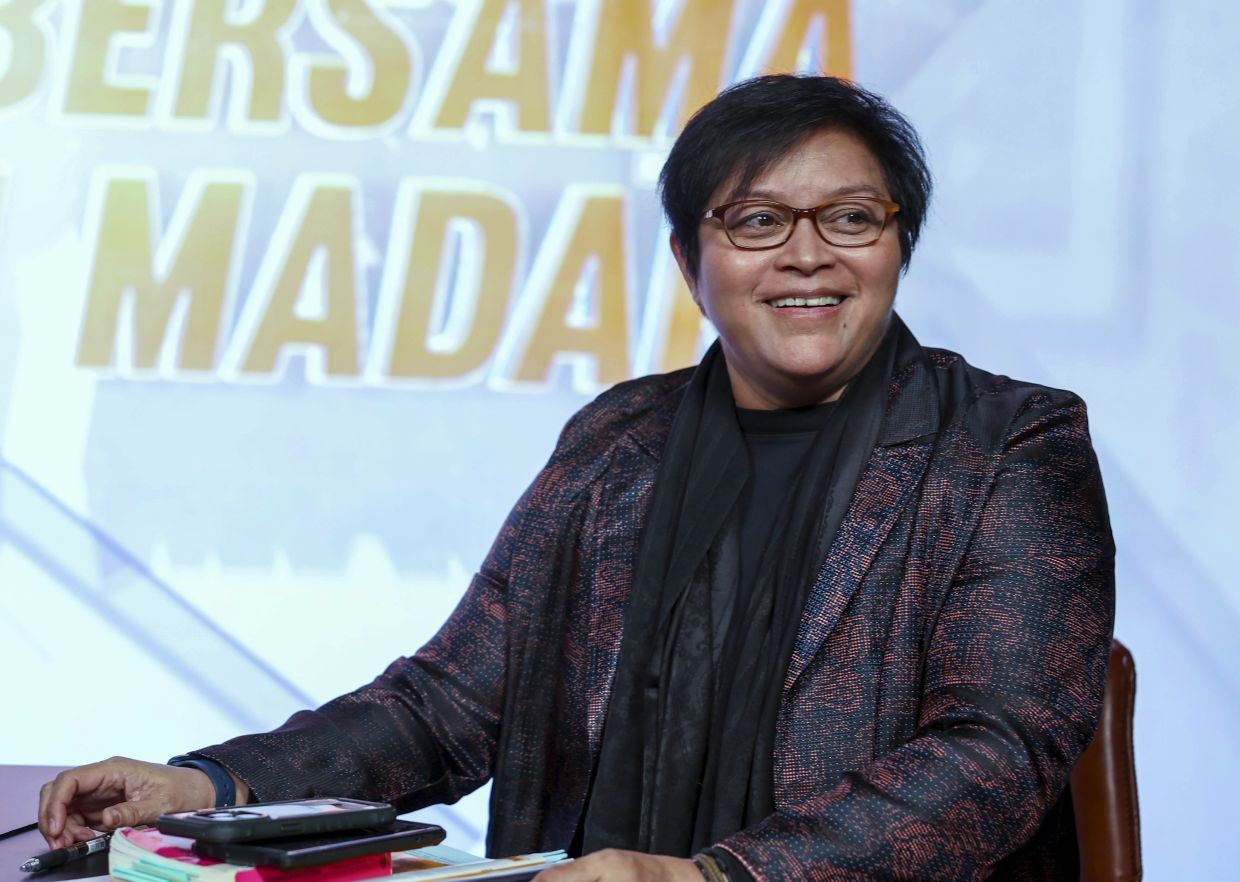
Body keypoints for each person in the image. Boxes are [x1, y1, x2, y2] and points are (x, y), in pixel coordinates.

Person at [38, 75, 1114, 881]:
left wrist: (716, 878)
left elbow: (993, 754)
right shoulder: (617, 441)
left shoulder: (1011, 446)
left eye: (850, 218)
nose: (806, 255)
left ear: (897, 246)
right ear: (691, 262)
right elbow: (449, 705)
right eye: (756, 221)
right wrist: (211, 784)